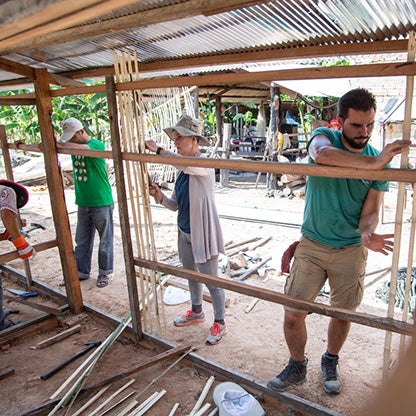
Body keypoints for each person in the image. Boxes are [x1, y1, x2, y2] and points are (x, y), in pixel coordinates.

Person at [267, 88, 411, 395]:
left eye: (370, 125)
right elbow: (321, 156)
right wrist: (374, 165)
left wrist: (367, 233)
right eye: (357, 126)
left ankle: (330, 360)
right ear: (340, 121)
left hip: (350, 248)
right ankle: (297, 365)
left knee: (342, 313)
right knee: (293, 313)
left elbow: (371, 211)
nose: (365, 132)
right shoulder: (324, 138)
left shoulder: (377, 160)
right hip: (313, 244)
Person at [145, 114, 226, 345]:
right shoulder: (181, 170)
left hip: (203, 233)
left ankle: (220, 321)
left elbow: (184, 164)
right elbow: (174, 206)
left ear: (194, 140)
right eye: (175, 138)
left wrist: (158, 150)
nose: (176, 142)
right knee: (191, 275)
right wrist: (159, 196)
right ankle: (197, 311)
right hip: (184, 232)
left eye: (180, 138)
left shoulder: (204, 164)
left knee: (213, 280)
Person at [57, 117, 114, 288]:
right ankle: (81, 272)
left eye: (73, 137)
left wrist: (61, 144)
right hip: (83, 201)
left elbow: (77, 148)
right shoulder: (73, 146)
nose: (71, 141)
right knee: (81, 240)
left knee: (105, 241)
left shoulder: (97, 145)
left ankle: (104, 272)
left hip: (101, 201)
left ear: (81, 132)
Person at [0, 180, 35, 330]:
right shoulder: (8, 191)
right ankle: (1, 324)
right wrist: (21, 244)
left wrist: (6, 234)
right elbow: (7, 215)